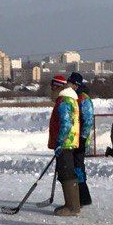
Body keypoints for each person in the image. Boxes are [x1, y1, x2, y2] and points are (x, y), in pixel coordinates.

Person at [47, 75, 81, 216]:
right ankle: (72, 204)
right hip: (70, 142)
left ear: (58, 86)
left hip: (65, 143)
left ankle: (72, 207)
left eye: (53, 87)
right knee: (68, 172)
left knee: (66, 173)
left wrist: (60, 142)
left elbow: (66, 124)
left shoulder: (64, 101)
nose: (51, 89)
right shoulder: (71, 99)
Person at [68, 73, 95, 207]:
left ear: (77, 85)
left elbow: (88, 120)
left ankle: (83, 197)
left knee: (78, 167)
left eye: (71, 83)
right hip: (73, 139)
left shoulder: (83, 99)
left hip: (80, 140)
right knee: (73, 167)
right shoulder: (72, 97)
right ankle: (79, 197)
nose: (69, 85)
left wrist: (83, 139)